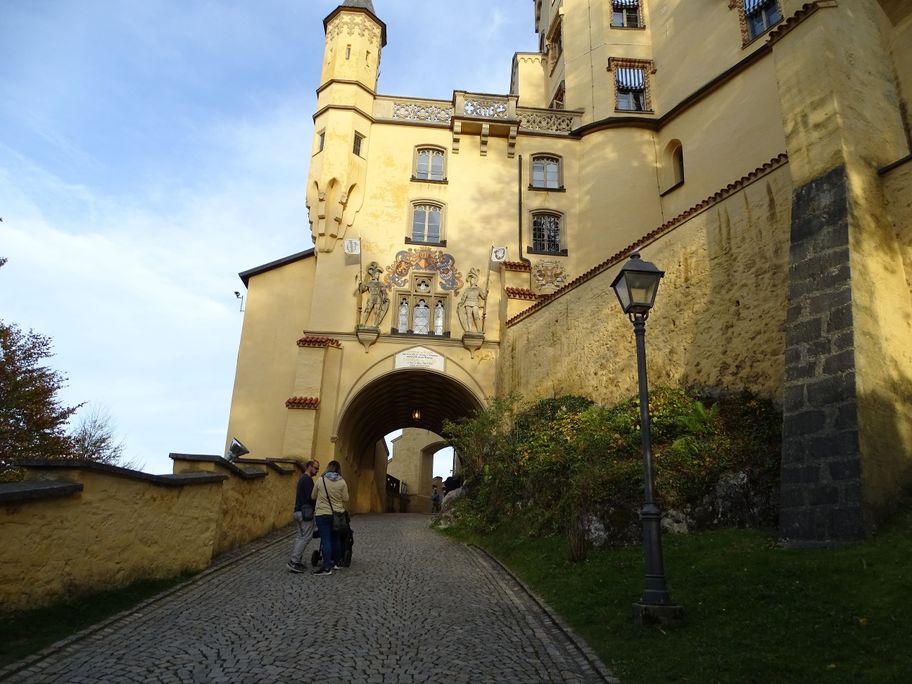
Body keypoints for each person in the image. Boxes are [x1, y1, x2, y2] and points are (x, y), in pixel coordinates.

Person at [311, 459, 350, 575]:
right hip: (337, 515)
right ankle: (337, 563)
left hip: (322, 514)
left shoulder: (320, 480)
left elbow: (313, 496)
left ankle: (327, 567)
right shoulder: (342, 482)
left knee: (326, 539)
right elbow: (346, 498)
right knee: (336, 539)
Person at [287, 459, 320, 573]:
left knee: (300, 537)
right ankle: (294, 561)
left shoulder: (302, 479)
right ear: (309, 466)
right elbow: (310, 498)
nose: (316, 471)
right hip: (305, 513)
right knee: (306, 537)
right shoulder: (307, 480)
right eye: (315, 468)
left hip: (298, 511)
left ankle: (296, 560)